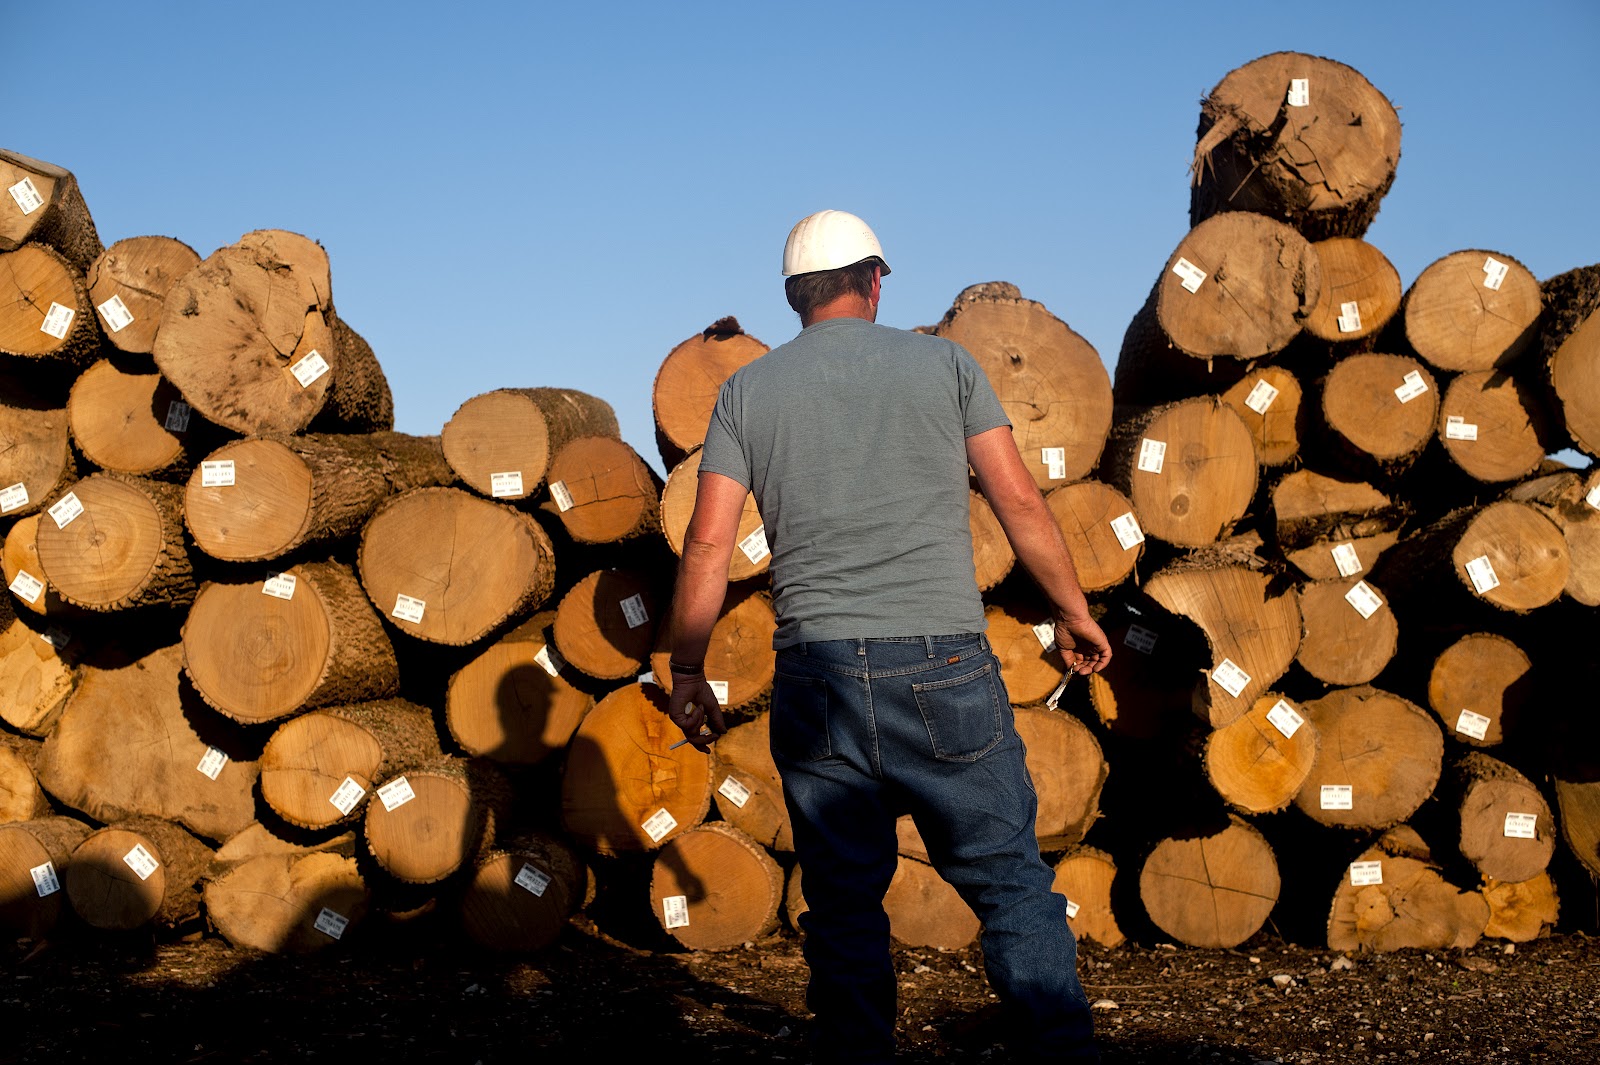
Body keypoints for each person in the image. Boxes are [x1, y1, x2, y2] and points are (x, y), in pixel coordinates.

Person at [662, 209, 1110, 1063]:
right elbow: (1017, 500)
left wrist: (688, 667)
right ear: (875, 281)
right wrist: (1072, 610)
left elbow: (710, 542)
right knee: (1010, 881)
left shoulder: (749, 390)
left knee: (842, 899)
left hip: (817, 674)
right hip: (942, 665)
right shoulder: (946, 365)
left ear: (794, 298)